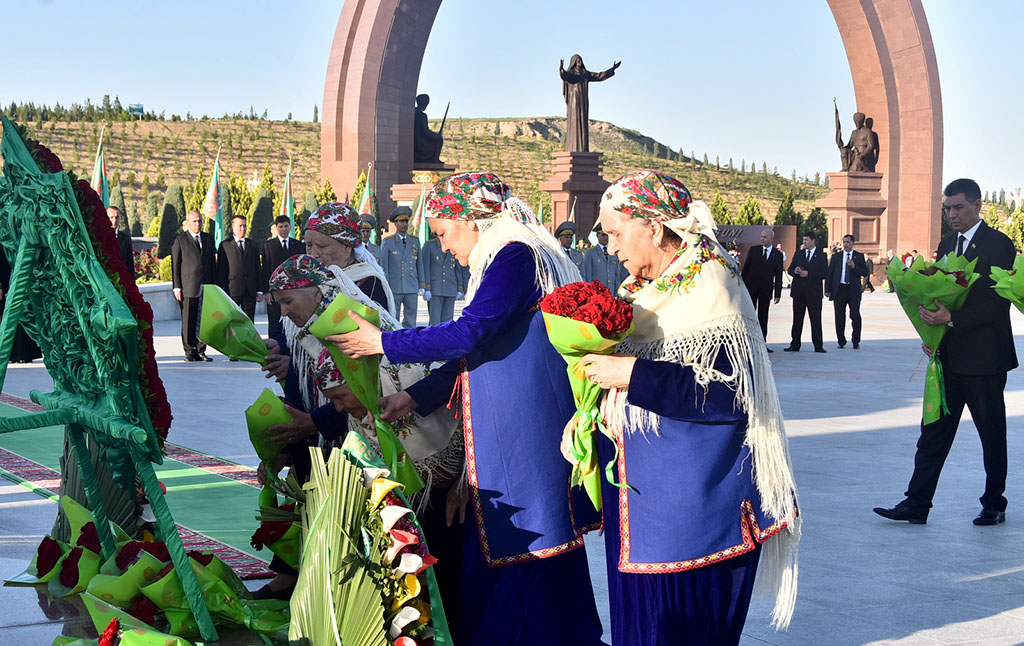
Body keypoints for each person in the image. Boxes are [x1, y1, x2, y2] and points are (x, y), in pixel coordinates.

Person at [328, 172, 603, 646]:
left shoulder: (516, 254)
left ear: (471, 219)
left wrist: (383, 343)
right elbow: (472, 353)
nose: (445, 247)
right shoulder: (508, 255)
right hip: (513, 429)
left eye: (442, 233)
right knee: (520, 543)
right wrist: (413, 397)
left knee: (529, 542)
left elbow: (470, 332)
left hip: (522, 433)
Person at [575, 170, 799, 645]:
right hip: (643, 505)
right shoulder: (646, 289)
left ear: (653, 229)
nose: (611, 248)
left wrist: (630, 374)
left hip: (694, 518)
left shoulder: (709, 285)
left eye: (616, 234)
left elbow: (730, 394)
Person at [874, 178, 1017, 526]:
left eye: (958, 207)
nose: (952, 214)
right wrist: (933, 331)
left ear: (978, 205)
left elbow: (997, 304)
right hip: (949, 357)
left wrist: (951, 317)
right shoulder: (947, 242)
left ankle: (994, 502)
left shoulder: (999, 244)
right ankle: (916, 503)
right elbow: (939, 294)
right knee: (933, 431)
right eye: (948, 208)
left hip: (984, 361)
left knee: (991, 434)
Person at [171, 210, 216, 362]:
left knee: (203, 321)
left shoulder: (208, 239)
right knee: (188, 320)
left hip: (206, 286)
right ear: (188, 222)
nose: (197, 224)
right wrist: (177, 286)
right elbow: (175, 265)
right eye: (194, 221)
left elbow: (212, 264)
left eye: (199, 221)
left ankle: (201, 350)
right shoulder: (180, 240)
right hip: (188, 287)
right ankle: (189, 350)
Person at [784, 231, 828, 353]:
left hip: (813, 293)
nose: (804, 242)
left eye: (806, 240)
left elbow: (825, 273)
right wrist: (796, 271)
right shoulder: (799, 254)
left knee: (815, 319)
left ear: (813, 241)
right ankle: (795, 344)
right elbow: (790, 269)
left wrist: (809, 274)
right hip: (799, 292)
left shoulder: (821, 256)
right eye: (803, 240)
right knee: (797, 319)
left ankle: (818, 345)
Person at [741, 227, 784, 351]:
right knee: (750, 315)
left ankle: (762, 343)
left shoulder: (778, 255)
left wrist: (778, 294)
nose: (762, 239)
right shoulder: (754, 250)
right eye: (761, 237)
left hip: (766, 290)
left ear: (771, 239)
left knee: (763, 316)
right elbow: (746, 269)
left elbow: (778, 275)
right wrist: (742, 287)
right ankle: (748, 342)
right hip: (751, 288)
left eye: (765, 237)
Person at [380, 206, 422, 328]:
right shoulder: (388, 242)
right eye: (401, 222)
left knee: (411, 318)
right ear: (395, 224)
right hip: (394, 286)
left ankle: (409, 340)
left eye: (406, 221)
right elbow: (384, 266)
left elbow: (420, 264)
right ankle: (395, 338)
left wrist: (423, 284)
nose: (404, 224)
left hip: (411, 285)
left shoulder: (415, 241)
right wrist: (385, 284)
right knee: (394, 317)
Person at [216, 216, 263, 325]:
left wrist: (259, 290)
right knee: (233, 321)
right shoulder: (225, 245)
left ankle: (248, 341)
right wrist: (222, 292)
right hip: (233, 290)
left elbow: (257, 268)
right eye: (240, 226)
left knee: (249, 321)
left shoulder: (252, 245)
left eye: (245, 225)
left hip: (250, 290)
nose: (243, 228)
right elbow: (221, 271)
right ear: (233, 227)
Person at [261, 215, 303, 336]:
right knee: (274, 321)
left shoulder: (299, 245)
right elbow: (265, 270)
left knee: (294, 320)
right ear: (276, 228)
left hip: (294, 290)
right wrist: (266, 292)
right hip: (275, 292)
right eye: (281, 226)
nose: (284, 229)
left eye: (286, 226)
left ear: (290, 227)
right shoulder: (268, 246)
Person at [825, 234, 868, 349]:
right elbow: (830, 274)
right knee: (839, 316)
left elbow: (865, 272)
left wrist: (854, 267)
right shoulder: (836, 257)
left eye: (848, 242)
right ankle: (841, 340)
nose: (845, 244)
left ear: (853, 243)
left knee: (854, 314)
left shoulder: (859, 256)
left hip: (853, 290)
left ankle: (855, 340)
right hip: (840, 289)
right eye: (844, 242)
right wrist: (828, 289)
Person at [0, 252, 42, 363]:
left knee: (25, 316)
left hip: (25, 283)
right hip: (10, 284)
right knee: (14, 318)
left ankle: (25, 354)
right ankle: (15, 355)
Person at [419, 234, 467, 325]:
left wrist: (460, 288)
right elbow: (425, 267)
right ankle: (433, 339)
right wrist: (427, 288)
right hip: (435, 289)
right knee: (435, 321)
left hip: (450, 287)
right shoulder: (429, 246)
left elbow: (458, 268)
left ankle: (445, 339)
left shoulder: (453, 246)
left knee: (448, 322)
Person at [582, 222, 629, 292]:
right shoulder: (591, 252)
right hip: (597, 292)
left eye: (607, 235)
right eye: (603, 235)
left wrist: (617, 292)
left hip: (611, 292)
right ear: (597, 235)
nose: (606, 237)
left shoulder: (613, 251)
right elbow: (587, 274)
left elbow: (616, 274)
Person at [107, 206, 135, 278]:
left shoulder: (126, 239)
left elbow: (130, 264)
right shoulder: (99, 238)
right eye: (111, 217)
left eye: (116, 217)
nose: (114, 221)